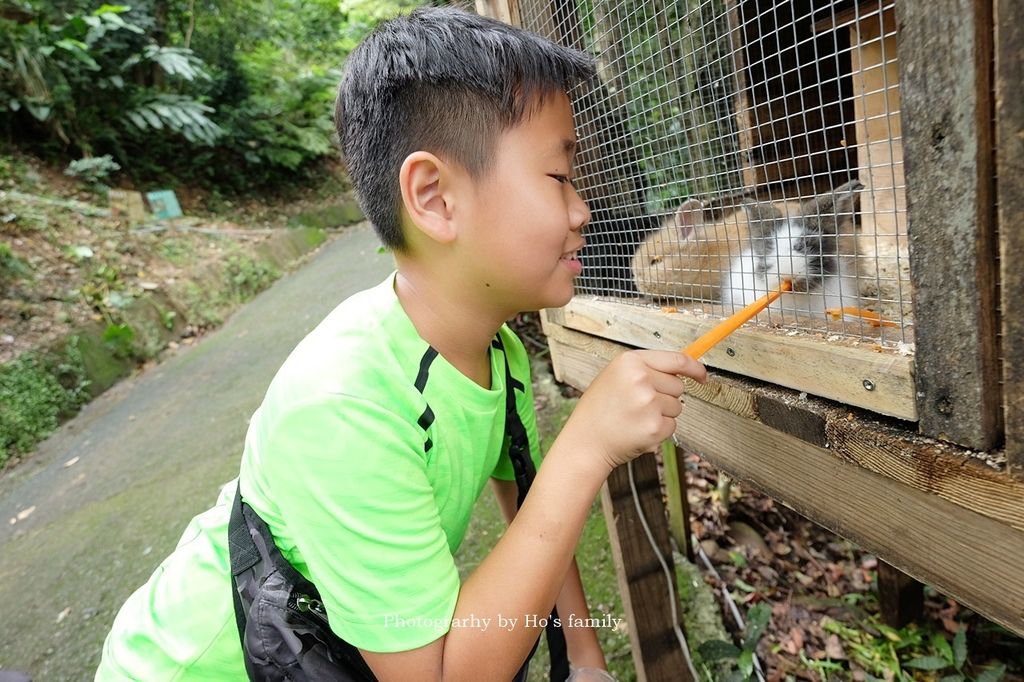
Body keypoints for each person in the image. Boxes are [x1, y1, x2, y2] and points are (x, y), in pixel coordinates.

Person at [95, 6, 706, 681]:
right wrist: (587, 446)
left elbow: (536, 515)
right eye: (560, 178)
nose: (583, 208)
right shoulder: (342, 403)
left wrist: (585, 662)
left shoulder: (497, 353)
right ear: (435, 198)